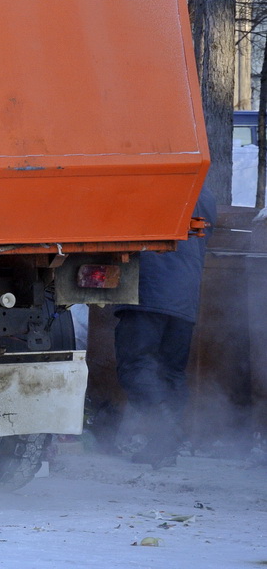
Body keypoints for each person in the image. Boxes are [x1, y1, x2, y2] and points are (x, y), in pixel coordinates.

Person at [113, 186, 217, 469]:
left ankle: (166, 432)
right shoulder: (203, 194)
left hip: (146, 288)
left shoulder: (146, 180)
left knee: (135, 367)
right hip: (185, 295)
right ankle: (163, 447)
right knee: (171, 372)